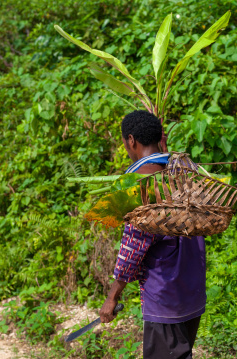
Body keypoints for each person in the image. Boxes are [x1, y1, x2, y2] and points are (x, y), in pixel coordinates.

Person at [99, 110, 207, 359]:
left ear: (131, 140)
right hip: (191, 291)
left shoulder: (142, 183)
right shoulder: (183, 171)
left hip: (165, 295)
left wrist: (113, 297)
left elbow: (133, 247)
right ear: (159, 138)